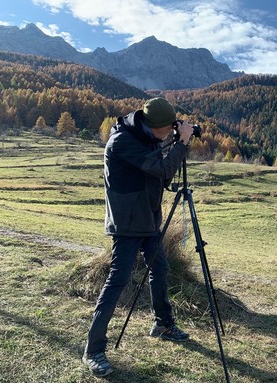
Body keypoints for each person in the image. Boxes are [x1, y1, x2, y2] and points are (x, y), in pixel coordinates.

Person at [82, 97, 195, 377]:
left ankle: (163, 324)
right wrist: (181, 143)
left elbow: (161, 179)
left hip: (148, 219)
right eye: (167, 129)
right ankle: (93, 350)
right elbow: (163, 169)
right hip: (128, 222)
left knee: (160, 267)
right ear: (152, 125)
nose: (170, 132)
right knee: (117, 281)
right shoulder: (123, 142)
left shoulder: (146, 136)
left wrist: (176, 143)